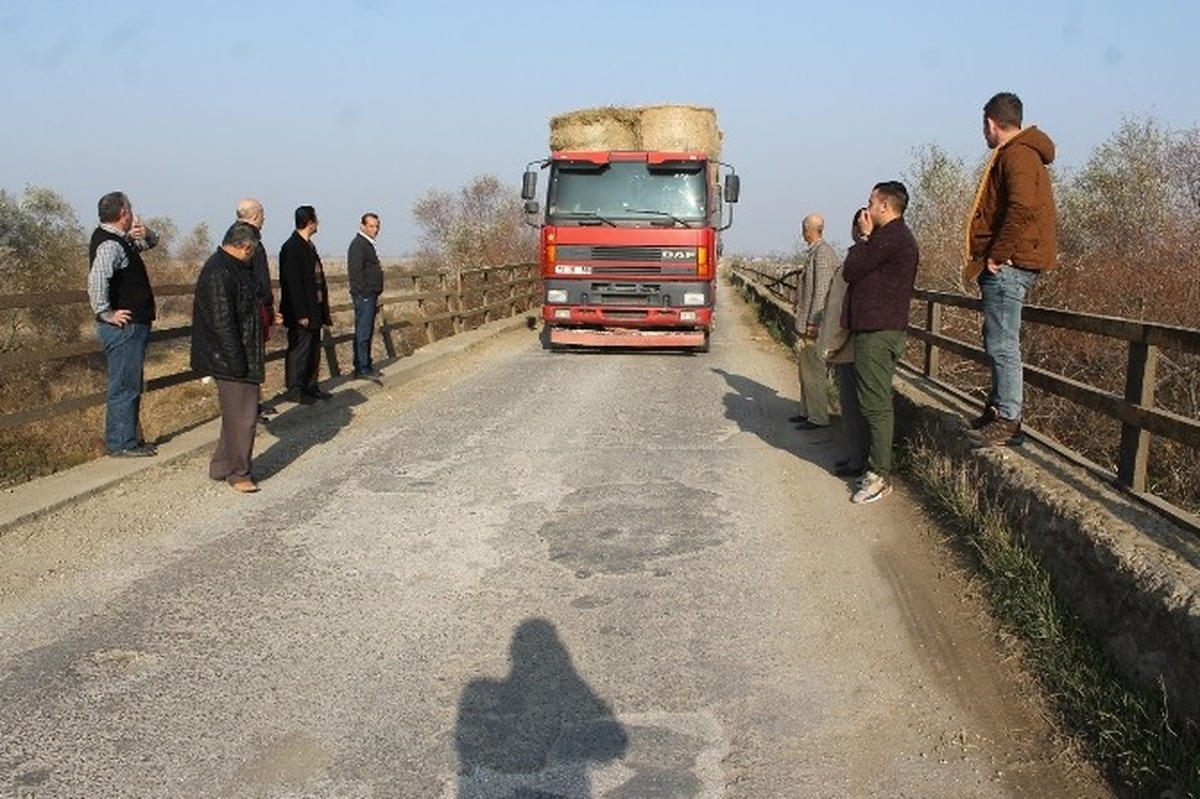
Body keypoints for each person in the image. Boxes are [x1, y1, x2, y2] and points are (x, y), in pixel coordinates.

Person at [966, 91, 1058, 447]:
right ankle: (999, 410)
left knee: (1002, 342)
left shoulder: (1017, 154)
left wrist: (997, 254)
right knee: (997, 339)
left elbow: (1021, 207)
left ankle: (1007, 419)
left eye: (983, 125)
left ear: (991, 122)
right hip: (1015, 260)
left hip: (1010, 263)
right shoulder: (1022, 152)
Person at [842, 181, 920, 504]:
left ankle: (879, 475)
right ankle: (870, 466)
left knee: (875, 403)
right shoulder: (890, 238)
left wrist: (863, 237)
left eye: (871, 202)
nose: (867, 209)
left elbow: (851, 269)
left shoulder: (892, 237)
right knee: (869, 399)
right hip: (875, 328)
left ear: (884, 206)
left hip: (879, 331)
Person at [189, 222, 265, 493]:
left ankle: (221, 465)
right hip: (231, 357)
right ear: (245, 247)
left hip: (237, 353)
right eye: (253, 251)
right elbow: (223, 323)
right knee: (243, 417)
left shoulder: (229, 267)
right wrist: (237, 363)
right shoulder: (219, 272)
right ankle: (238, 472)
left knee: (235, 415)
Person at [86, 191, 160, 458]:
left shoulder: (120, 240)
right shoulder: (110, 244)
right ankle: (121, 444)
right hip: (124, 328)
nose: (132, 213)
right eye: (130, 209)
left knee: (129, 382)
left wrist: (146, 232)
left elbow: (150, 243)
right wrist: (106, 313)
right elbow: (96, 282)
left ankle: (126, 440)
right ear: (123, 214)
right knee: (125, 385)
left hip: (130, 327)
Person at [816, 209, 870, 478]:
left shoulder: (860, 256)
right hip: (851, 341)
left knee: (853, 406)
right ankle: (855, 456)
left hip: (849, 343)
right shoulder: (857, 254)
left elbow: (840, 302)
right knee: (852, 405)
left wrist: (830, 343)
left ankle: (858, 459)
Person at [278, 205, 332, 404]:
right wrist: (301, 313)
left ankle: (310, 386)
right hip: (301, 311)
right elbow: (292, 284)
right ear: (309, 222)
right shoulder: (291, 247)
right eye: (316, 219)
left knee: (313, 349)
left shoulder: (308, 246)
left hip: (314, 308)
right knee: (299, 350)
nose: (318, 223)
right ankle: (295, 389)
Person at [791, 213, 837, 430]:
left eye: (804, 227)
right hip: (805, 321)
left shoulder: (823, 253)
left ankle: (818, 417)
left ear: (809, 229)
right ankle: (807, 411)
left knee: (814, 371)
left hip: (813, 324)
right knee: (805, 369)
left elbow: (822, 291)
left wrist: (814, 321)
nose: (802, 231)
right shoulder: (815, 252)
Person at [235, 198, 278, 421]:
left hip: (253, 306)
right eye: (262, 214)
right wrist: (267, 305)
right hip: (251, 308)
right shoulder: (247, 239)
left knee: (254, 358)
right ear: (254, 216)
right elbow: (255, 278)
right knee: (250, 358)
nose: (264, 219)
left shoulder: (241, 236)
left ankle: (254, 404)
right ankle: (248, 408)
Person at [347, 213, 383, 379]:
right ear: (362, 226)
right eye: (371, 226)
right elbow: (355, 271)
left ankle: (365, 364)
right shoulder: (359, 244)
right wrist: (365, 292)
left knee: (366, 330)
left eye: (377, 226)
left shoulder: (367, 244)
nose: (375, 230)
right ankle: (362, 367)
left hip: (370, 294)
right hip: (365, 296)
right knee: (363, 331)